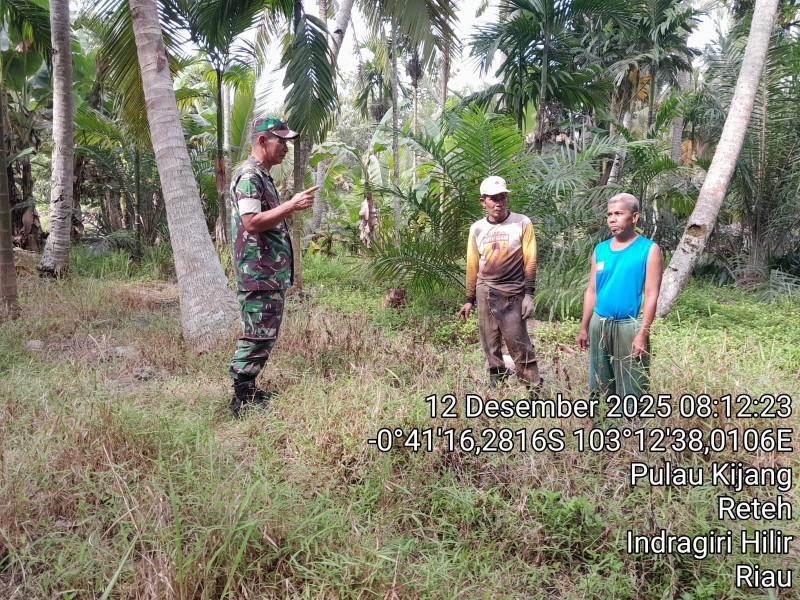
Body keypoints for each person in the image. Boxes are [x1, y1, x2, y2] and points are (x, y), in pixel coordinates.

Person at [228, 116, 319, 417]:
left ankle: (249, 389)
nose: (285, 147)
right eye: (281, 141)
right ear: (263, 140)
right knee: (256, 332)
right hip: (257, 272)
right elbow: (251, 223)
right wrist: (290, 205)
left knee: (264, 331)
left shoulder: (263, 176)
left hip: (267, 272)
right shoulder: (250, 176)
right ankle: (241, 398)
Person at [576, 193, 663, 409]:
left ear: (634, 217)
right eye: (609, 214)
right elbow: (592, 290)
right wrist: (584, 326)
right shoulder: (601, 250)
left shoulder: (649, 250)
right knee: (600, 379)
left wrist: (643, 332)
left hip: (629, 326)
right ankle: (602, 423)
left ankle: (633, 428)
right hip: (600, 323)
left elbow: (652, 293)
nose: (612, 219)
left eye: (618, 214)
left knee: (634, 381)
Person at [457, 176, 541, 393]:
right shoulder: (476, 229)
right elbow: (472, 264)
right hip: (484, 289)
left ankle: (532, 388)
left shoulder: (522, 223)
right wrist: (469, 299)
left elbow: (530, 260)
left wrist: (529, 296)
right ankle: (497, 384)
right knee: (489, 341)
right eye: (493, 199)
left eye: (502, 197)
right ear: (482, 202)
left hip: (513, 292)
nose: (498, 203)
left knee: (518, 341)